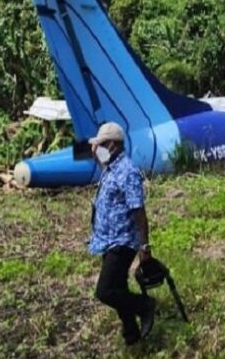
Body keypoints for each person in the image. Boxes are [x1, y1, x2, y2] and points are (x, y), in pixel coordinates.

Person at [88, 121, 156, 345]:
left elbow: (139, 212)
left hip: (122, 241)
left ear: (113, 145)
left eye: (101, 145)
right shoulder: (111, 168)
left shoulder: (127, 171)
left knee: (106, 291)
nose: (97, 149)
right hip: (108, 240)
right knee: (118, 288)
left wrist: (144, 247)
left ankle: (145, 306)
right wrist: (98, 157)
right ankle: (132, 336)